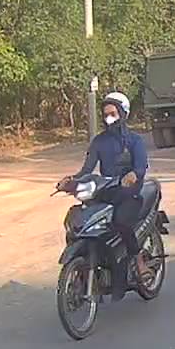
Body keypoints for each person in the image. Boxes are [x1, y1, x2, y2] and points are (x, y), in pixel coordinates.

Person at [57, 91, 152, 283]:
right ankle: (83, 267)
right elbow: (87, 169)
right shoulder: (99, 142)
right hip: (106, 190)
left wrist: (133, 175)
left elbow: (141, 166)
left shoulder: (134, 140)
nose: (109, 118)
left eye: (113, 114)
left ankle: (139, 260)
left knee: (121, 221)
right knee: (77, 221)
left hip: (129, 193)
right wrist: (70, 181)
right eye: (106, 114)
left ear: (123, 114)